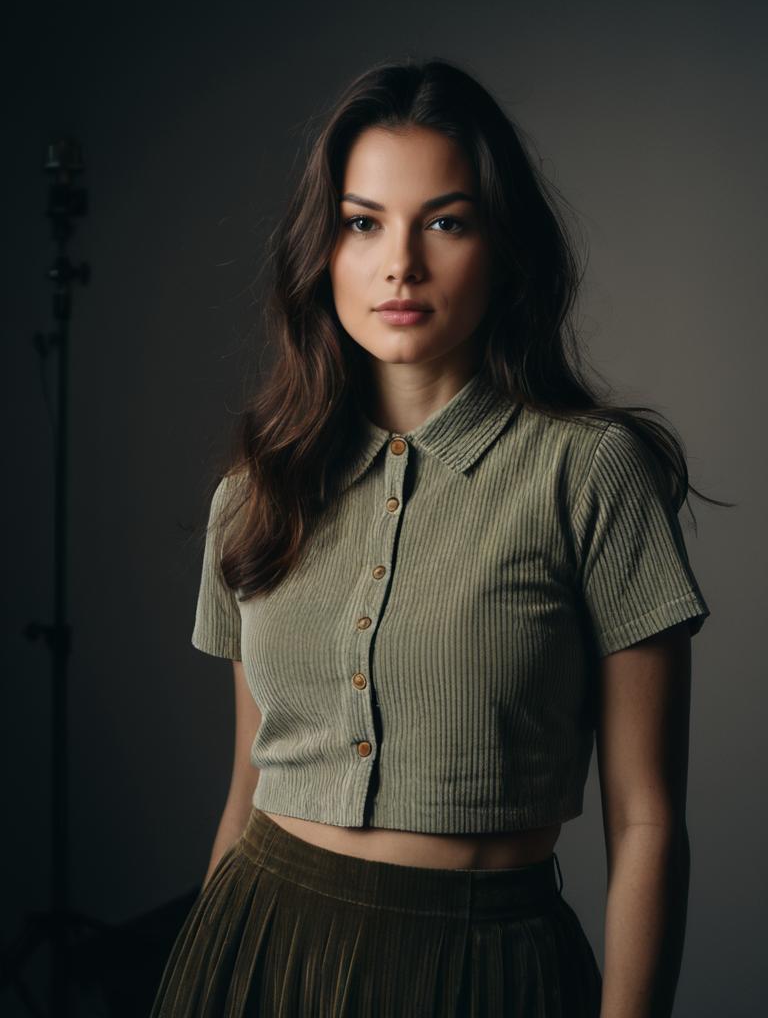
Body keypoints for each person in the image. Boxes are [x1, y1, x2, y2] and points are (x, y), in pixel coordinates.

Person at [150, 57, 719, 1017]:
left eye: (444, 222)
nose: (399, 264)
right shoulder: (256, 492)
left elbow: (650, 820)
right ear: (321, 248)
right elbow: (246, 791)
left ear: (501, 246)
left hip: (484, 971)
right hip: (252, 956)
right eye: (363, 223)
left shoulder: (591, 473)